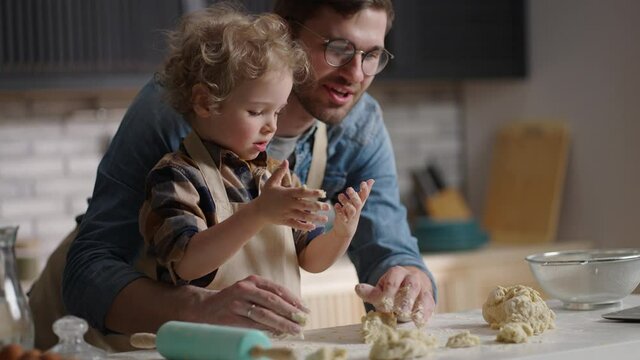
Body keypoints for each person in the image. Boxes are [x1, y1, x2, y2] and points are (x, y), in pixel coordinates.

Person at [30, 0, 437, 352]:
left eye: (372, 55)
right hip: (84, 339)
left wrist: (407, 280)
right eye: (338, 48)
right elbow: (88, 273)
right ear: (287, 35)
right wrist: (200, 308)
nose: (356, 73)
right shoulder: (178, 107)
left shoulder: (359, 126)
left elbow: (388, 249)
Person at [138, 3, 374, 317]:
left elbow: (311, 260)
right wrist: (258, 212)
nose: (272, 126)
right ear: (205, 102)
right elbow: (187, 264)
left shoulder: (277, 177)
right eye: (256, 111)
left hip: (280, 342)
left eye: (276, 111)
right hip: (207, 344)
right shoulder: (177, 177)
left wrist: (342, 232)